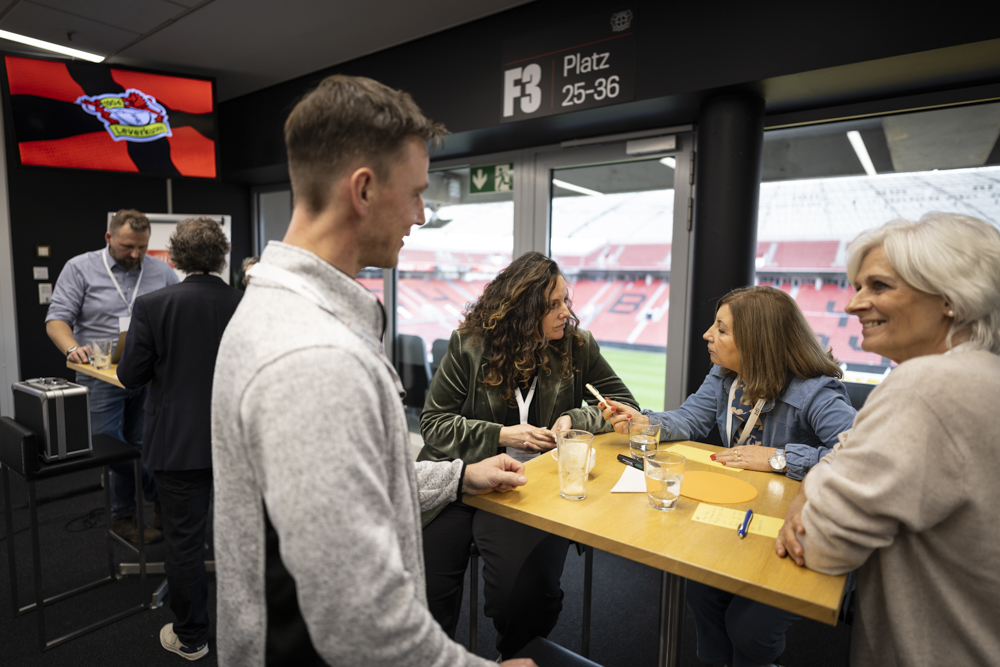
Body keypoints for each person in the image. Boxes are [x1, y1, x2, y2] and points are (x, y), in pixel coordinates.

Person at [211, 74, 536, 667]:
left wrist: (459, 476)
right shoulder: (314, 357)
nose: (419, 214)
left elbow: (348, 492)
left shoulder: (282, 311)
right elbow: (358, 624)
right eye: (415, 193)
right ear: (362, 189)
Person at [776, 212, 1000, 667]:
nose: (853, 305)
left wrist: (811, 493)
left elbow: (819, 543)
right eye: (858, 287)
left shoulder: (928, 386)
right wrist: (824, 476)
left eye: (878, 287)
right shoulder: (977, 377)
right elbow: (837, 458)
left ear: (951, 298)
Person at [603, 285, 857, 667]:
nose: (708, 334)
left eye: (721, 329)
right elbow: (688, 419)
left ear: (757, 341)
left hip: (799, 528)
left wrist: (780, 458)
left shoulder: (816, 393)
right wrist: (643, 422)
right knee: (702, 596)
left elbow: (859, 457)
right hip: (743, 519)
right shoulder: (724, 375)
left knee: (749, 630)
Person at [418, 251, 639, 658]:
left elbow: (624, 403)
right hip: (462, 481)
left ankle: (515, 657)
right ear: (522, 309)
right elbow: (434, 423)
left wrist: (576, 418)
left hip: (530, 488)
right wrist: (500, 433)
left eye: (565, 301)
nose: (564, 312)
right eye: (552, 304)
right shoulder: (468, 345)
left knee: (525, 596)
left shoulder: (576, 346)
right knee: (426, 590)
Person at [117, 217, 243, 661]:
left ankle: (192, 637)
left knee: (185, 543)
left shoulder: (154, 305)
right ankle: (250, 633)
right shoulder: (246, 303)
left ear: (174, 257)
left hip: (178, 445)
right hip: (240, 445)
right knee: (243, 541)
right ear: (221, 256)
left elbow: (130, 376)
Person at [45, 208, 179, 543]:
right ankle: (158, 497)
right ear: (109, 238)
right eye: (127, 246)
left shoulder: (161, 271)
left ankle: (124, 516)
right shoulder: (80, 267)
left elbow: (177, 313)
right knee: (109, 447)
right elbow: (56, 319)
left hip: (146, 376)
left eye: (142, 248)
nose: (135, 254)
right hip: (100, 375)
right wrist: (71, 348)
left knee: (141, 445)